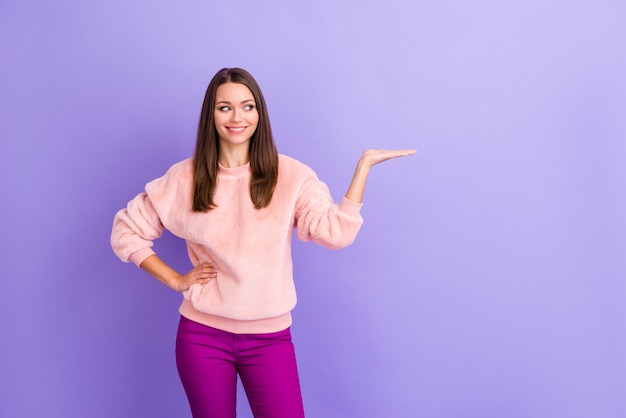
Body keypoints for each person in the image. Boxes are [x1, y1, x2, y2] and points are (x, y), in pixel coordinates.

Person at [110, 67, 416, 418]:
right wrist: (175, 280)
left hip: (269, 339)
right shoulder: (184, 177)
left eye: (248, 106)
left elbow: (337, 233)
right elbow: (126, 231)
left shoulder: (291, 175)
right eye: (225, 107)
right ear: (211, 114)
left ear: (260, 114)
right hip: (202, 336)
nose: (237, 117)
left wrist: (363, 168)